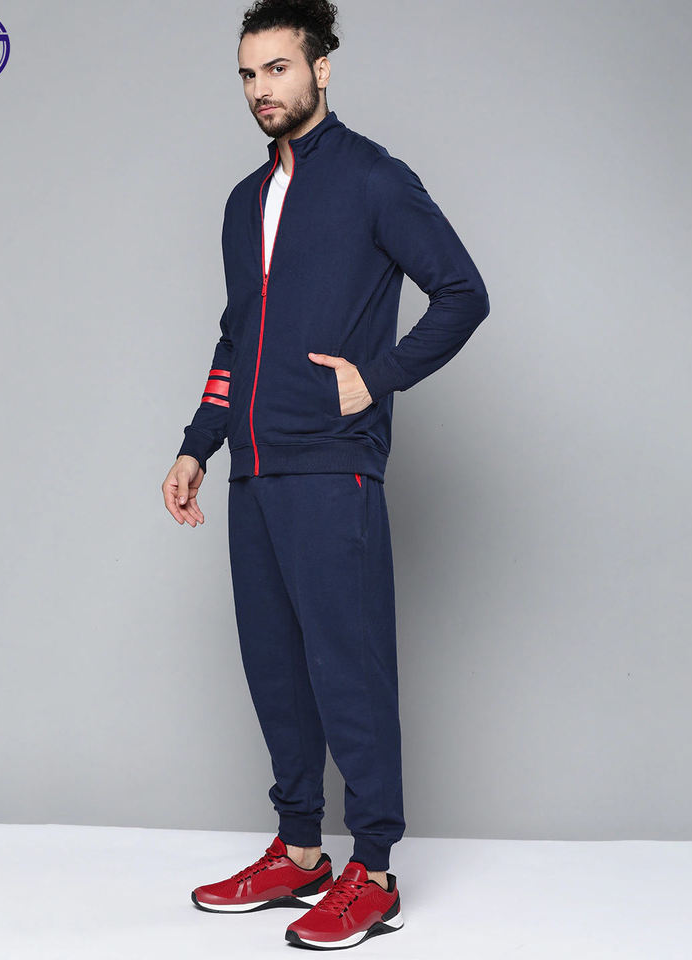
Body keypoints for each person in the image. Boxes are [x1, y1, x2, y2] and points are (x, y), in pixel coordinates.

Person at [161, 0, 489, 949]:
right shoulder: (243, 201)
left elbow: (463, 292)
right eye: (248, 74)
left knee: (349, 667)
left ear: (321, 69)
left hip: (332, 466)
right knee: (275, 667)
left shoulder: (374, 179)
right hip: (254, 471)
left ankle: (373, 871)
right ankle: (300, 851)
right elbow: (238, 336)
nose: (262, 89)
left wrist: (378, 378)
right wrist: (198, 443)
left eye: (278, 68)